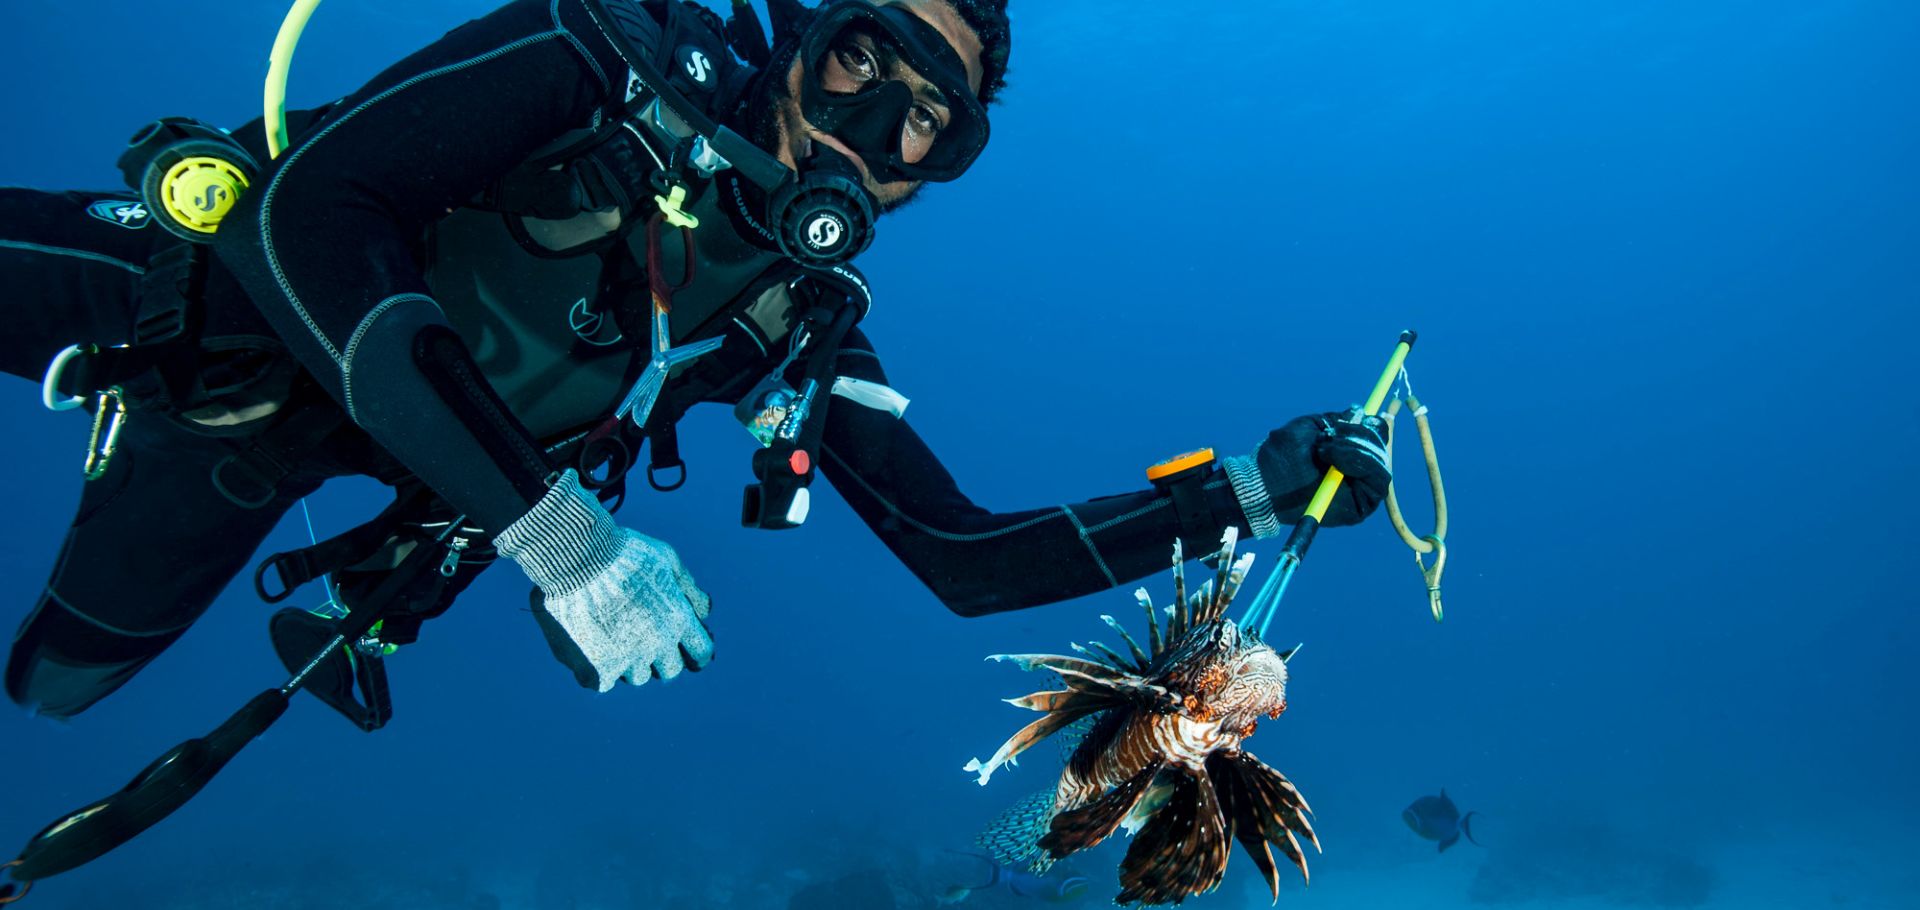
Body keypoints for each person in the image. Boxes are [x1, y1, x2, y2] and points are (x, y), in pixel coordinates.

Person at [0, 0, 1392, 720]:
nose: (878, 127)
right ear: (800, 33)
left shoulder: (784, 323)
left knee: (57, 687)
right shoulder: (592, 58)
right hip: (187, 312)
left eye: (931, 125)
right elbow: (314, 212)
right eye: (866, 56)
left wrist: (1255, 489)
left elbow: (970, 554)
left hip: (248, 457)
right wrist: (566, 541)